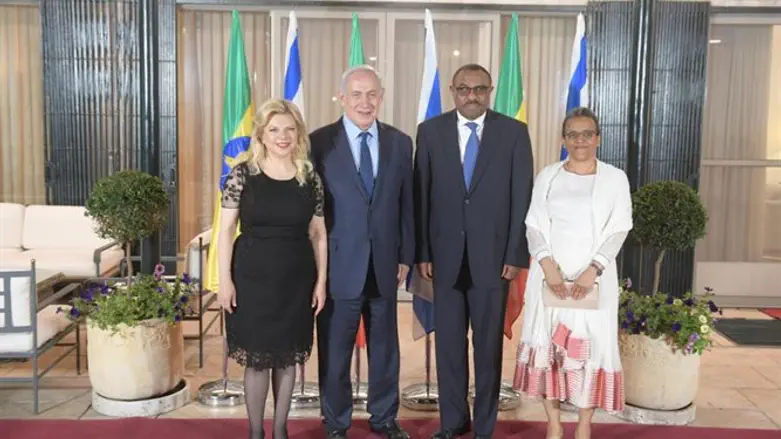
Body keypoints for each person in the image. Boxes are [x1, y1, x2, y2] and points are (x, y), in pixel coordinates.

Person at [414, 63, 534, 439]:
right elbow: (421, 198)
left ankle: (484, 426)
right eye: (464, 89)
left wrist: (516, 254)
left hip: (495, 262)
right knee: (449, 346)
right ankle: (453, 422)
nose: (472, 96)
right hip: (444, 259)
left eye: (480, 89)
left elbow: (522, 197)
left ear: (491, 90)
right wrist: (422, 252)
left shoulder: (514, 133)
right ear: (452, 91)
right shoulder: (430, 132)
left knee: (487, 350)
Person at [513, 107, 633, 439]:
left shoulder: (614, 178)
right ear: (563, 139)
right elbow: (533, 224)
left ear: (598, 138)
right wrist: (548, 265)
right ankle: (553, 424)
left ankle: (583, 424)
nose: (580, 141)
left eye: (587, 134)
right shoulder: (548, 175)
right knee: (549, 351)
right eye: (572, 134)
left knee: (590, 350)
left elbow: (619, 228)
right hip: (551, 280)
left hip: (593, 281)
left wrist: (592, 270)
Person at [310, 65, 414, 439]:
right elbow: (312, 210)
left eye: (372, 94)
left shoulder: (401, 143)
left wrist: (407, 255)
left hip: (386, 264)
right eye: (357, 94)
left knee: (386, 351)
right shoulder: (318, 142)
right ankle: (336, 423)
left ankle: (384, 417)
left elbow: (407, 204)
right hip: (339, 266)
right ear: (342, 98)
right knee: (335, 351)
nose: (365, 102)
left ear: (381, 97)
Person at [216, 99, 327, 439]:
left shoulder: (310, 178)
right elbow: (225, 232)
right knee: (258, 359)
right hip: (251, 280)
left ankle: (279, 430)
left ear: (299, 134)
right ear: (261, 134)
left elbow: (319, 234)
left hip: (296, 280)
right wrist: (224, 281)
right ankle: (255, 432)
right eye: (275, 129)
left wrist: (321, 283)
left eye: (289, 129)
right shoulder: (242, 174)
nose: (283, 136)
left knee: (288, 357)